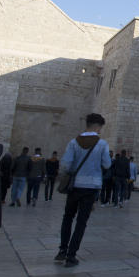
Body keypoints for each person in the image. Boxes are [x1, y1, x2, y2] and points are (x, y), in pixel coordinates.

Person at [55, 113, 112, 267]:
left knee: (67, 217)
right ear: (99, 126)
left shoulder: (74, 142)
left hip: (74, 186)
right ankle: (71, 255)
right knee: (81, 222)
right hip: (91, 186)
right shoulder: (102, 144)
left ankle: (62, 250)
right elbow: (107, 164)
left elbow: (65, 165)